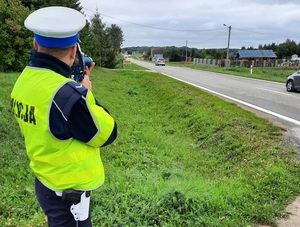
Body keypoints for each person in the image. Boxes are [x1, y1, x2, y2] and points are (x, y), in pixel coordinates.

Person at [10, 6, 117, 226]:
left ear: (36, 45)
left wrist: (73, 87)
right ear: (72, 52)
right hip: (70, 194)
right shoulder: (69, 96)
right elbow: (107, 133)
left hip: (45, 181)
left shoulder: (24, 81)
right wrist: (85, 93)